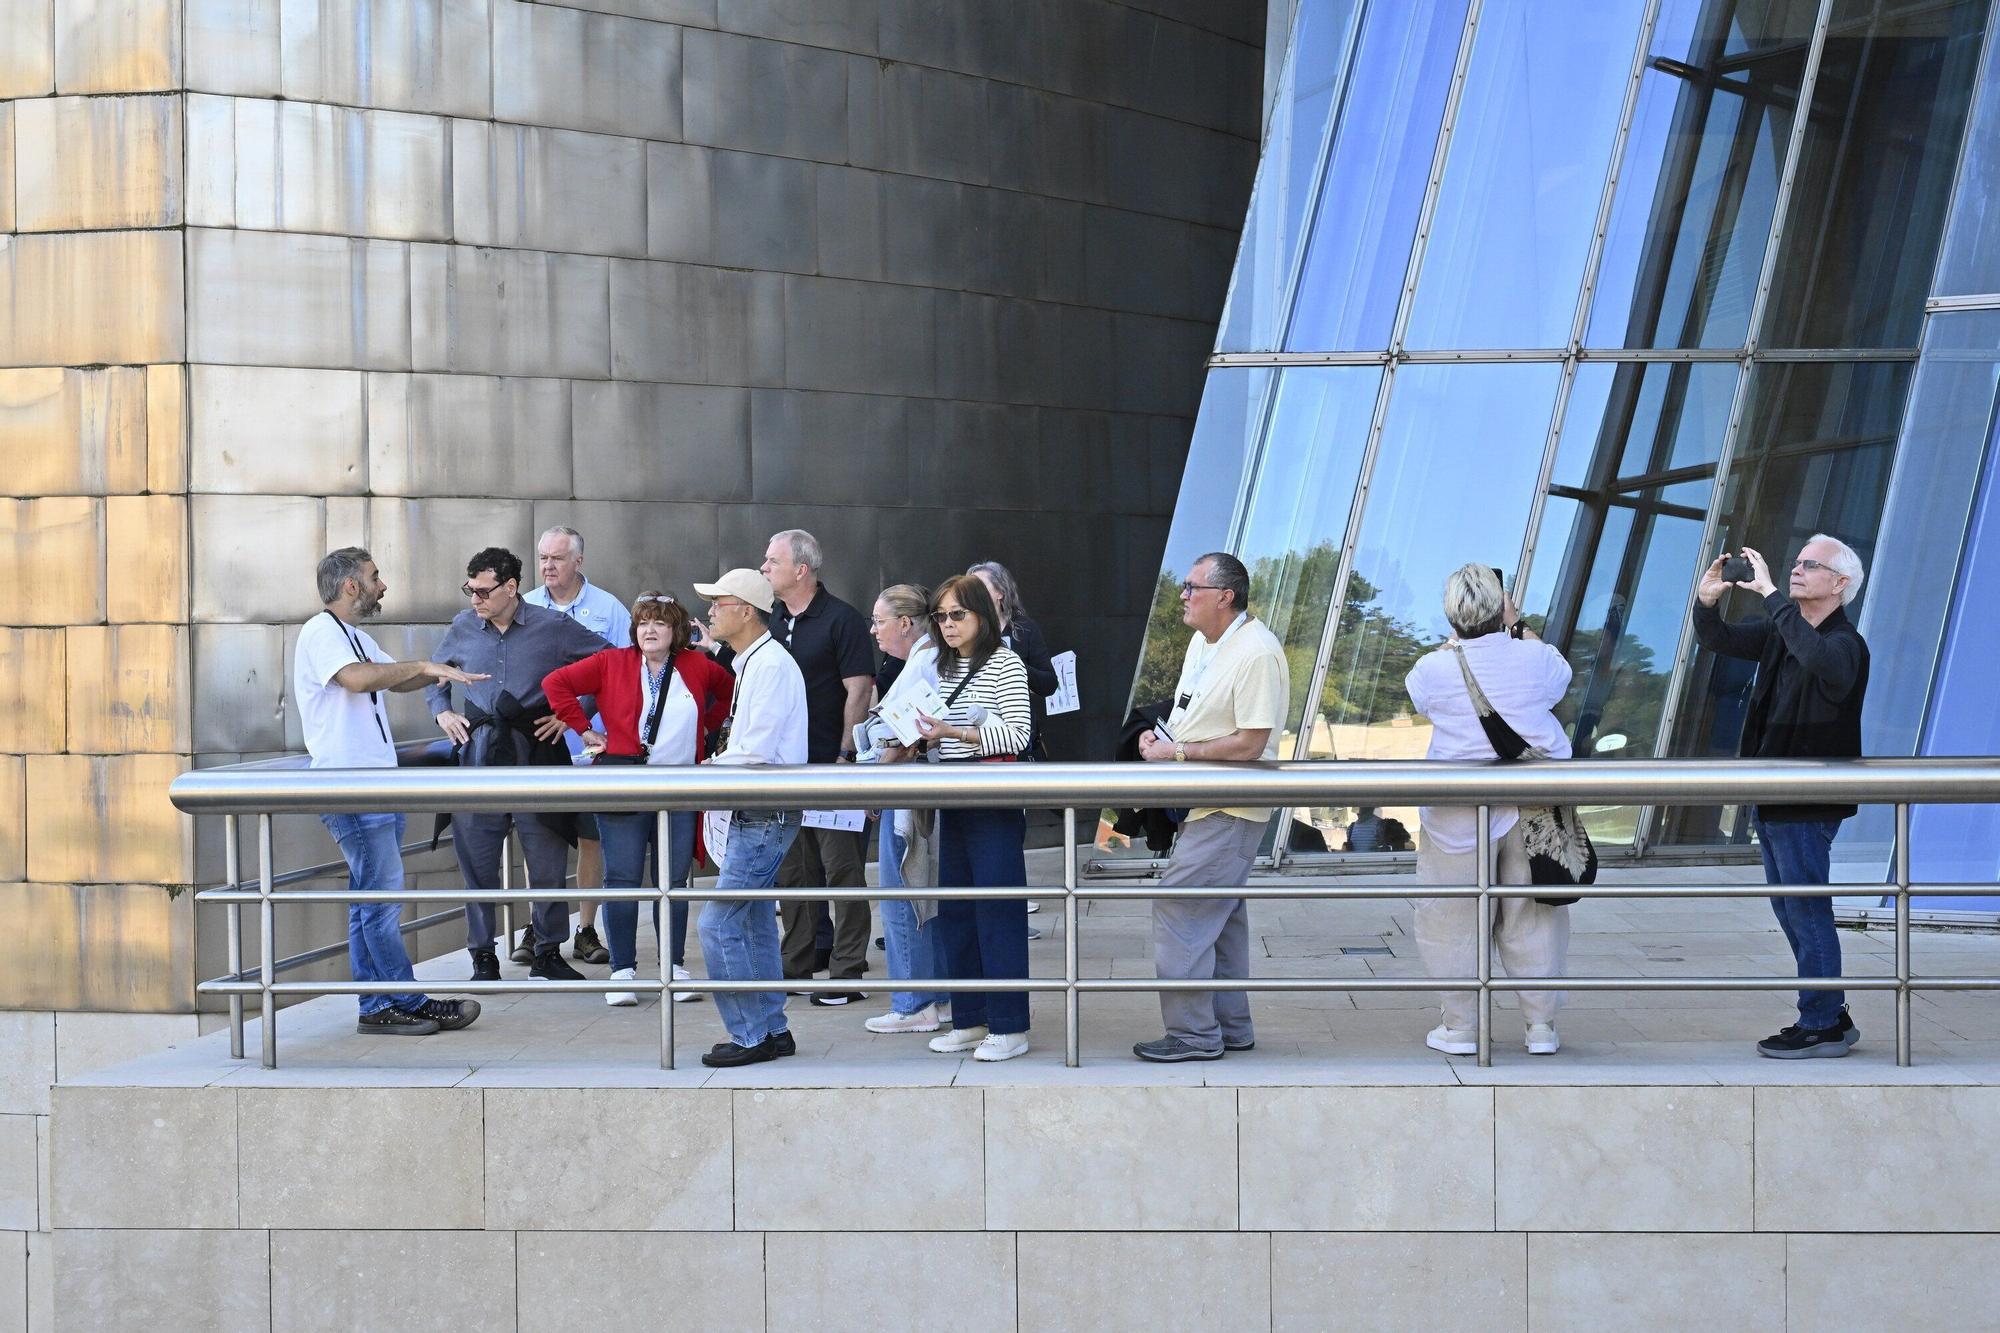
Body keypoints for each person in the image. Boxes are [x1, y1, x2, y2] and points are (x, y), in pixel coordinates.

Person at [1693, 536, 1870, 1058]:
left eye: (1808, 566)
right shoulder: (1780, 630)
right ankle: (1828, 1012)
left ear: (1839, 584)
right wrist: (1707, 602)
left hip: (1808, 799)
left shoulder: (1845, 645)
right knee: (1791, 908)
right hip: (1772, 794)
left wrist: (1771, 594)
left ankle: (1820, 1022)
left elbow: (1819, 661)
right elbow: (1718, 639)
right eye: (1794, 563)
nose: (1795, 570)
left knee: (1806, 910)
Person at [295, 548, 483, 1036]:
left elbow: (394, 679)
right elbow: (358, 681)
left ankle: (378, 1006)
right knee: (380, 901)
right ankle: (405, 999)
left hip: (374, 784)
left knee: (369, 900)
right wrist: (423, 663)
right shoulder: (320, 633)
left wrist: (441, 671)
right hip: (352, 789)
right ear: (351, 586)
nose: (383, 586)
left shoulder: (352, 636)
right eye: (375, 578)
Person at [1405, 565, 1573, 1057]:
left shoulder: (1431, 669)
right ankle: (1539, 1028)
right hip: (1533, 808)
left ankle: (1460, 1028)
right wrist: (1518, 627)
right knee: (1534, 917)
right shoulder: (1535, 658)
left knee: (1450, 917)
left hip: (1456, 812)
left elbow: (1423, 702)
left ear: (1450, 614)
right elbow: (1557, 679)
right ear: (1503, 607)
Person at [1130, 553, 1289, 1063]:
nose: (1182, 594)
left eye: (1191, 585)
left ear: (1225, 596)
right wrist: (1163, 740)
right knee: (1219, 918)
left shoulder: (1257, 653)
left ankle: (1194, 1035)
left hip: (1230, 808)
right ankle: (1228, 1027)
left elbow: (1250, 743)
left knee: (1180, 907)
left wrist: (1175, 752)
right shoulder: (1206, 642)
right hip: (1205, 804)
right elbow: (1196, 714)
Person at [543, 592, 733, 1006]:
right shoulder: (612, 661)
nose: (649, 629)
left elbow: (730, 690)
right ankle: (622, 971)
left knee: (673, 880)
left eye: (660, 623)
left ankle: (673, 967)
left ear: (675, 630)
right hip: (624, 781)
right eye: (643, 622)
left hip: (680, 787)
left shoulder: (697, 665)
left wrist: (708, 730)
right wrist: (583, 728)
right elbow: (556, 683)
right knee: (623, 878)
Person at [428, 547, 608, 982]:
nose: (475, 600)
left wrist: (570, 715)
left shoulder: (554, 628)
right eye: (470, 590)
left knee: (546, 861)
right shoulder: (462, 625)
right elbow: (434, 672)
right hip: (478, 754)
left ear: (511, 587)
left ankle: (547, 952)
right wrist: (442, 711)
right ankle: (482, 957)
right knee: (477, 861)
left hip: (536, 753)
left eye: (484, 591)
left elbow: (607, 665)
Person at [691, 568, 809, 1067]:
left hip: (764, 808)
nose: (711, 611)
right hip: (760, 808)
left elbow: (755, 750)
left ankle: (751, 1035)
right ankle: (770, 1030)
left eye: (719, 602)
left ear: (745, 609)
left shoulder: (769, 665)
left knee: (719, 925)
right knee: (755, 920)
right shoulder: (757, 661)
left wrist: (704, 771)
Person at [916, 575, 1036, 1062]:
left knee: (997, 911)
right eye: (940, 617)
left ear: (982, 615)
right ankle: (970, 1017)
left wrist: (955, 733)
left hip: (993, 798)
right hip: (956, 795)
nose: (947, 624)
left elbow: (1018, 734)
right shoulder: (947, 666)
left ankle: (1009, 1025)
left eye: (956, 615)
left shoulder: (1005, 661)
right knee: (959, 911)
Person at [759, 529, 876, 1003]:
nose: (765, 568)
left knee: (840, 868)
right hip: (784, 769)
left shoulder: (841, 619)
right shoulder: (771, 621)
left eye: (772, 561)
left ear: (801, 569)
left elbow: (860, 689)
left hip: (830, 764)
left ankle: (847, 969)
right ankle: (798, 962)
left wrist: (846, 754)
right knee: (794, 870)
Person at [523, 524, 632, 968]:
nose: (548, 566)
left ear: (578, 562)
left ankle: (586, 930)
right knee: (539, 836)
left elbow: (624, 672)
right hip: (538, 744)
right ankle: (540, 925)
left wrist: (571, 714)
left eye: (558, 558)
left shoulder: (608, 609)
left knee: (591, 837)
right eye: (543, 557)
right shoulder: (525, 606)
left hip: (589, 745)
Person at [858, 584, 950, 1034]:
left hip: (908, 799)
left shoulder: (924, 661)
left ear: (906, 623)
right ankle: (939, 998)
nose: (874, 630)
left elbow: (902, 739)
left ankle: (915, 1002)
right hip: (919, 795)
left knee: (903, 899)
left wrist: (874, 786)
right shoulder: (928, 658)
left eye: (879, 620)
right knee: (923, 898)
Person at [969, 561, 1060, 935]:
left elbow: (1049, 683)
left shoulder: (1023, 632)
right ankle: (981, 901)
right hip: (971, 744)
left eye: (980, 588)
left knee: (1009, 827)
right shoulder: (964, 629)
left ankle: (1010, 902)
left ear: (1001, 593)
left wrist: (1011, 663)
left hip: (1013, 744)